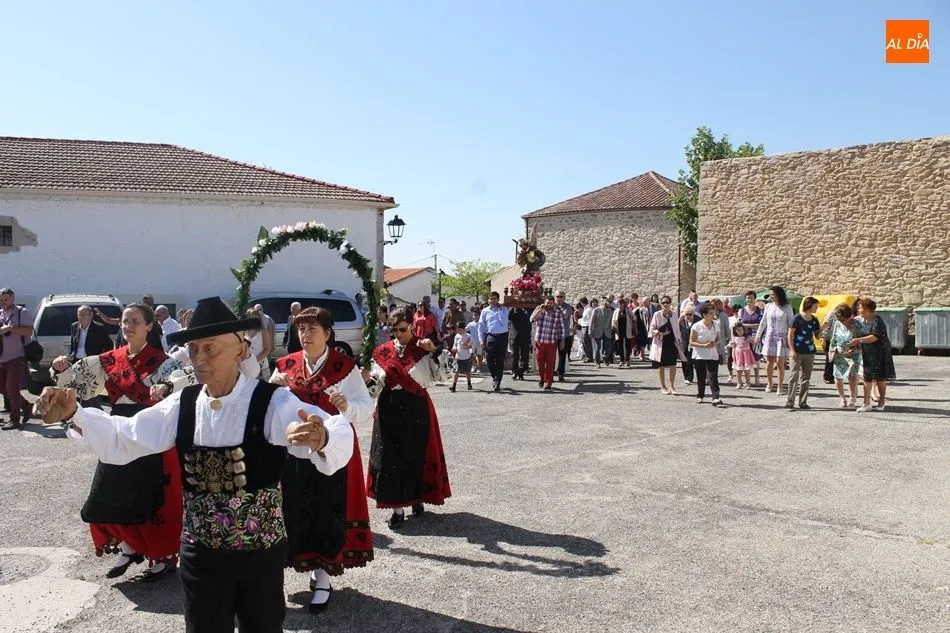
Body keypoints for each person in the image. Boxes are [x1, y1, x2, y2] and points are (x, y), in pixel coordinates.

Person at [35, 296, 354, 633]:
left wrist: (322, 438)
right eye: (194, 349)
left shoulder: (271, 400)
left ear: (241, 351)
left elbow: (333, 429)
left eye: (210, 349)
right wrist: (75, 414)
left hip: (259, 554)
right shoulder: (183, 404)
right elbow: (125, 436)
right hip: (199, 554)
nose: (199, 358)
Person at [50, 303, 187, 581]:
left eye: (135, 321)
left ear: (149, 326)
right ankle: (128, 547)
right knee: (110, 490)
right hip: (115, 431)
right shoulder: (109, 360)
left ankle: (162, 556)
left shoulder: (163, 362)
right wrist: (61, 369)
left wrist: (167, 387)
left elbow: (187, 379)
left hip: (150, 433)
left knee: (152, 497)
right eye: (125, 321)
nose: (128, 326)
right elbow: (75, 382)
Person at [269, 307, 374, 612]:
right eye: (301, 329)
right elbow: (268, 406)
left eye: (312, 329)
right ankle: (304, 566)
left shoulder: (345, 367)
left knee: (328, 508)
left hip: (332, 450)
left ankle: (324, 575)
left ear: (328, 334)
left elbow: (365, 406)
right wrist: (273, 389)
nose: (305, 335)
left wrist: (347, 406)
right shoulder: (286, 365)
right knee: (296, 507)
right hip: (295, 449)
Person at [366, 308, 452, 527]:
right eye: (394, 330)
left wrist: (435, 351)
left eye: (402, 329)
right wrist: (367, 381)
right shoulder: (382, 352)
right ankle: (397, 509)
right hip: (389, 409)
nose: (398, 334)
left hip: (416, 408)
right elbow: (375, 386)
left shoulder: (423, 348)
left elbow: (446, 374)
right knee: (390, 459)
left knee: (416, 455)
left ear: (412, 326)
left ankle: (417, 498)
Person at [53, 305, 116, 408]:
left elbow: (109, 346)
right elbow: (74, 344)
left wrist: (101, 361)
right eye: (80, 314)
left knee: (91, 393)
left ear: (91, 315)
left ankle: (94, 412)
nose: (82, 317)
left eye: (84, 315)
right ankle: (81, 412)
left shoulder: (99, 328)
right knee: (77, 391)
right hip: (77, 362)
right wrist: (69, 358)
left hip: (91, 365)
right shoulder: (74, 326)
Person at [850, 298, 896, 412]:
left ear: (867, 310)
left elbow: (875, 337)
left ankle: (882, 401)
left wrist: (859, 340)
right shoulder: (861, 320)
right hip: (867, 352)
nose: (858, 309)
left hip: (880, 353)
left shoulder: (877, 321)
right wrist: (855, 346)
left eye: (861, 307)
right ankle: (866, 403)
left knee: (880, 378)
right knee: (867, 377)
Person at [0, 288, 35, 430]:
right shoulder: (0, 314)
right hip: (1, 358)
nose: (3, 302)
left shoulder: (22, 312)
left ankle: (14, 420)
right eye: (1, 300)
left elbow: (29, 331)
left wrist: (10, 329)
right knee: (3, 388)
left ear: (13, 298)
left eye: (5, 299)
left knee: (12, 389)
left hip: (17, 357)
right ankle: (26, 406)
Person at [755, 286, 795, 395]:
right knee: (769, 362)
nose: (771, 296)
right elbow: (763, 322)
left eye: (773, 294)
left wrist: (791, 338)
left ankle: (780, 387)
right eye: (770, 294)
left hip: (782, 337)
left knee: (780, 363)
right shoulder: (768, 306)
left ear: (779, 295)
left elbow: (791, 323)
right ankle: (769, 383)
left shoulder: (787, 307)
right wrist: (758, 336)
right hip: (770, 336)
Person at [786, 296, 821, 409]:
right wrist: (792, 350)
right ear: (809, 305)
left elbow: (817, 336)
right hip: (797, 351)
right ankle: (790, 401)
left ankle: (803, 402)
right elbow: (790, 335)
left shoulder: (814, 320)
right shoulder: (797, 318)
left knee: (806, 378)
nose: (817, 308)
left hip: (809, 351)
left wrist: (823, 328)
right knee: (793, 376)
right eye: (815, 305)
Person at [825, 303, 862, 409]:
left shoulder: (857, 324)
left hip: (853, 354)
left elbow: (861, 340)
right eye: (840, 320)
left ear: (850, 316)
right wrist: (833, 350)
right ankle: (842, 398)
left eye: (844, 320)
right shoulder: (837, 323)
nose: (842, 322)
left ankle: (852, 398)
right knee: (838, 376)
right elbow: (834, 338)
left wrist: (854, 349)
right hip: (839, 354)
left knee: (852, 376)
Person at [649, 296, 686, 395]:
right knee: (661, 366)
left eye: (667, 302)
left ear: (670, 303)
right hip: (661, 343)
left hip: (672, 342)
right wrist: (661, 333)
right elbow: (651, 330)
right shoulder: (657, 315)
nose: (665, 304)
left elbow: (677, 329)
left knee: (673, 365)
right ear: (661, 304)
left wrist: (680, 340)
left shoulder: (674, 314)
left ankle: (672, 386)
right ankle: (663, 386)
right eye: (663, 303)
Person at [690, 303, 722, 405]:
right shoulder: (696, 326)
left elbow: (718, 338)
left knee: (713, 376)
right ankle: (700, 395)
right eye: (710, 313)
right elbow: (691, 342)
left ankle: (715, 397)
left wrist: (714, 343)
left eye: (713, 313)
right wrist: (704, 345)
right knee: (701, 376)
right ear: (704, 314)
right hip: (700, 355)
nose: (712, 315)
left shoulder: (715, 325)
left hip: (712, 355)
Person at [477, 292, 510, 392]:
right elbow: (481, 326)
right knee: (489, 359)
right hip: (491, 336)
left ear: (498, 299)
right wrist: (481, 340)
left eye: (494, 299)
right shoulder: (485, 311)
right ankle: (495, 376)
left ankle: (497, 381)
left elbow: (504, 322)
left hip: (502, 336)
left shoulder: (504, 310)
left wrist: (499, 310)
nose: (492, 301)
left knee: (500, 360)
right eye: (490, 299)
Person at [530, 296, 564, 390]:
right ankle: (541, 378)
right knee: (540, 362)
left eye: (551, 303)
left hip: (551, 342)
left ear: (553, 303)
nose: (549, 305)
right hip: (540, 341)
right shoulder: (539, 309)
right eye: (547, 303)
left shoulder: (557, 313)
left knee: (550, 363)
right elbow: (532, 320)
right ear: (545, 302)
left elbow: (560, 328)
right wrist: (540, 311)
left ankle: (549, 382)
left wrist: (562, 340)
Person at [728, 323, 756, 390]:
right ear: (735, 331)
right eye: (738, 330)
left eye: (741, 330)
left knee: (747, 370)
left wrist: (753, 340)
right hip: (738, 357)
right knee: (739, 370)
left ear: (744, 330)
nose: (740, 331)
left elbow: (754, 342)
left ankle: (748, 383)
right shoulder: (734, 338)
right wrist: (734, 357)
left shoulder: (747, 337)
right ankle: (739, 383)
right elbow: (733, 348)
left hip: (746, 356)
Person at [553, 291, 573, 382]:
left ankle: (560, 373)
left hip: (564, 335)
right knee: (552, 354)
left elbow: (564, 316)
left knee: (562, 355)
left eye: (561, 297)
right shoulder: (551, 306)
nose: (559, 298)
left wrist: (558, 309)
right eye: (557, 296)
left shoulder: (567, 307)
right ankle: (551, 371)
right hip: (553, 334)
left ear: (564, 298)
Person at [450, 322, 474, 392]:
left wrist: (466, 345)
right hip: (458, 356)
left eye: (460, 330)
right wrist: (454, 348)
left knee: (467, 371)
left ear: (464, 329)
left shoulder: (468, 336)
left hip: (466, 356)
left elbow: (470, 346)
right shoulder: (457, 336)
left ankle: (469, 383)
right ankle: (454, 386)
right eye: (458, 330)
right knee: (456, 371)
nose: (459, 331)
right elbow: (455, 344)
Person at [508, 307, 531, 380]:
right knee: (514, 355)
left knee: (525, 356)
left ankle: (521, 372)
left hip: (525, 337)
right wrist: (513, 306)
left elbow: (529, 324)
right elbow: (509, 316)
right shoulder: (513, 312)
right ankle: (515, 371)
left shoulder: (526, 312)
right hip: (515, 337)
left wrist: (529, 339)